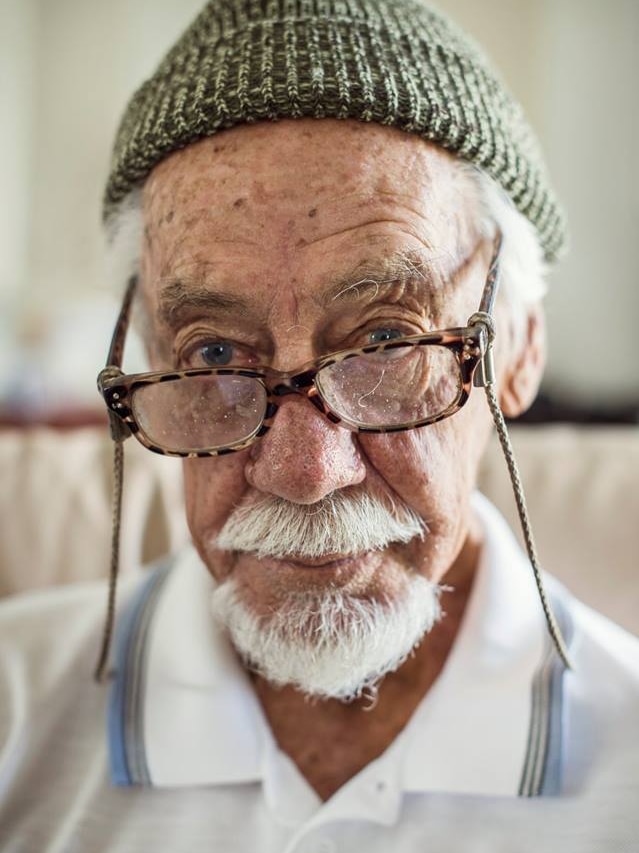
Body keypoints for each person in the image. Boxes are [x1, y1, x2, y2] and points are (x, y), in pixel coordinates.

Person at [1, 1, 637, 850]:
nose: (304, 469)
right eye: (216, 350)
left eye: (385, 339)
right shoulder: (15, 716)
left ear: (519, 348)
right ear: (149, 350)